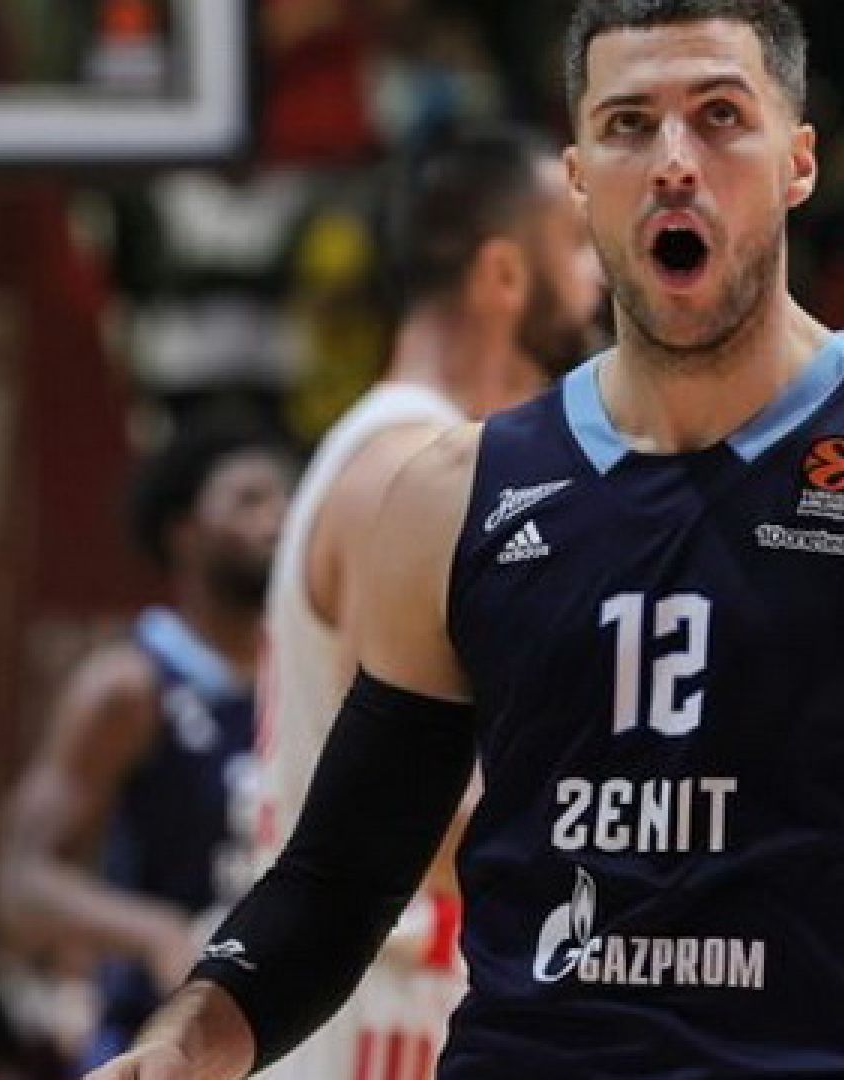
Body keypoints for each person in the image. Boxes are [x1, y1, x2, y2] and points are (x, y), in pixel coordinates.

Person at [89, 3, 844, 1078]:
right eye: (630, 125)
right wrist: (185, 1043)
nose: (674, 161)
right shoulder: (455, 494)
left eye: (720, 117)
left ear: (798, 163)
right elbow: (336, 880)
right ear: (578, 178)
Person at [251, 127, 602, 1080]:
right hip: (369, 1026)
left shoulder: (420, 457)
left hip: (405, 1012)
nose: (597, 281)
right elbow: (409, 819)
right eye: (575, 247)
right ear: (502, 274)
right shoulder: (410, 470)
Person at [0, 425, 294, 1070]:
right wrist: (157, 933)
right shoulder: (130, 686)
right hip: (154, 1033)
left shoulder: (305, 680)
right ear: (183, 531)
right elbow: (18, 881)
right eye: (249, 500)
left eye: (284, 498)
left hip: (277, 1031)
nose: (276, 518)